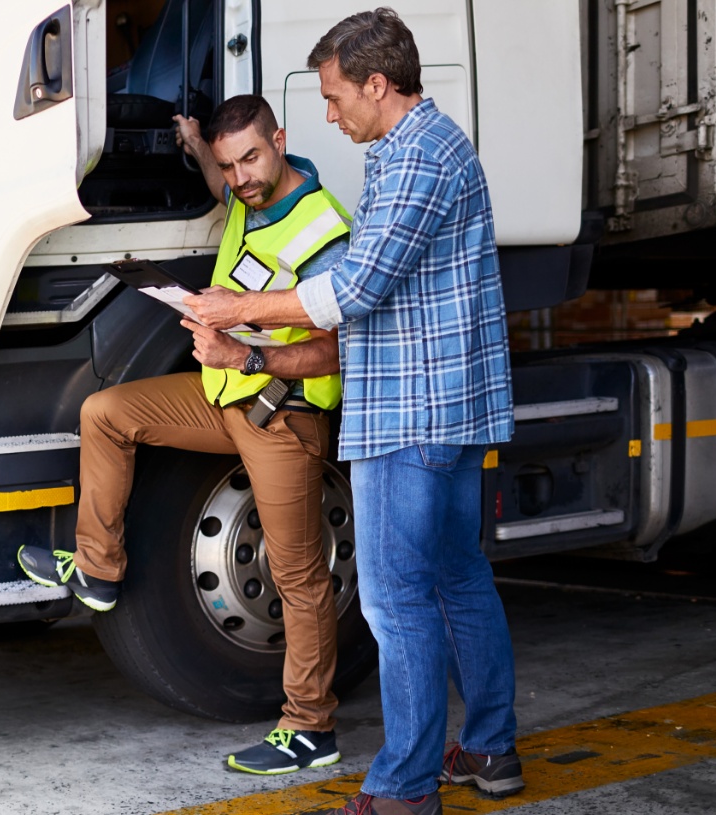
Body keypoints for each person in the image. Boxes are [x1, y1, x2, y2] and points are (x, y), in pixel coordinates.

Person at [183, 9, 521, 815]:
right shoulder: (421, 150)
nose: (329, 116)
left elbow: (352, 291)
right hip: (445, 406)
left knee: (395, 598)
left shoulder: (415, 161)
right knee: (456, 578)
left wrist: (238, 313)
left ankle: (403, 788)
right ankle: (489, 748)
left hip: (412, 410)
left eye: (336, 97)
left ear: (378, 84)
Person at [18, 94, 354, 774]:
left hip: (283, 417)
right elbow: (216, 179)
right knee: (106, 413)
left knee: (298, 577)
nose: (240, 179)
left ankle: (311, 727)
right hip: (226, 398)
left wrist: (249, 355)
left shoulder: (323, 232)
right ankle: (99, 570)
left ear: (281, 141)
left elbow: (339, 351)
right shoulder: (243, 194)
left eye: (251, 160)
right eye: (230, 166)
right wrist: (198, 144)